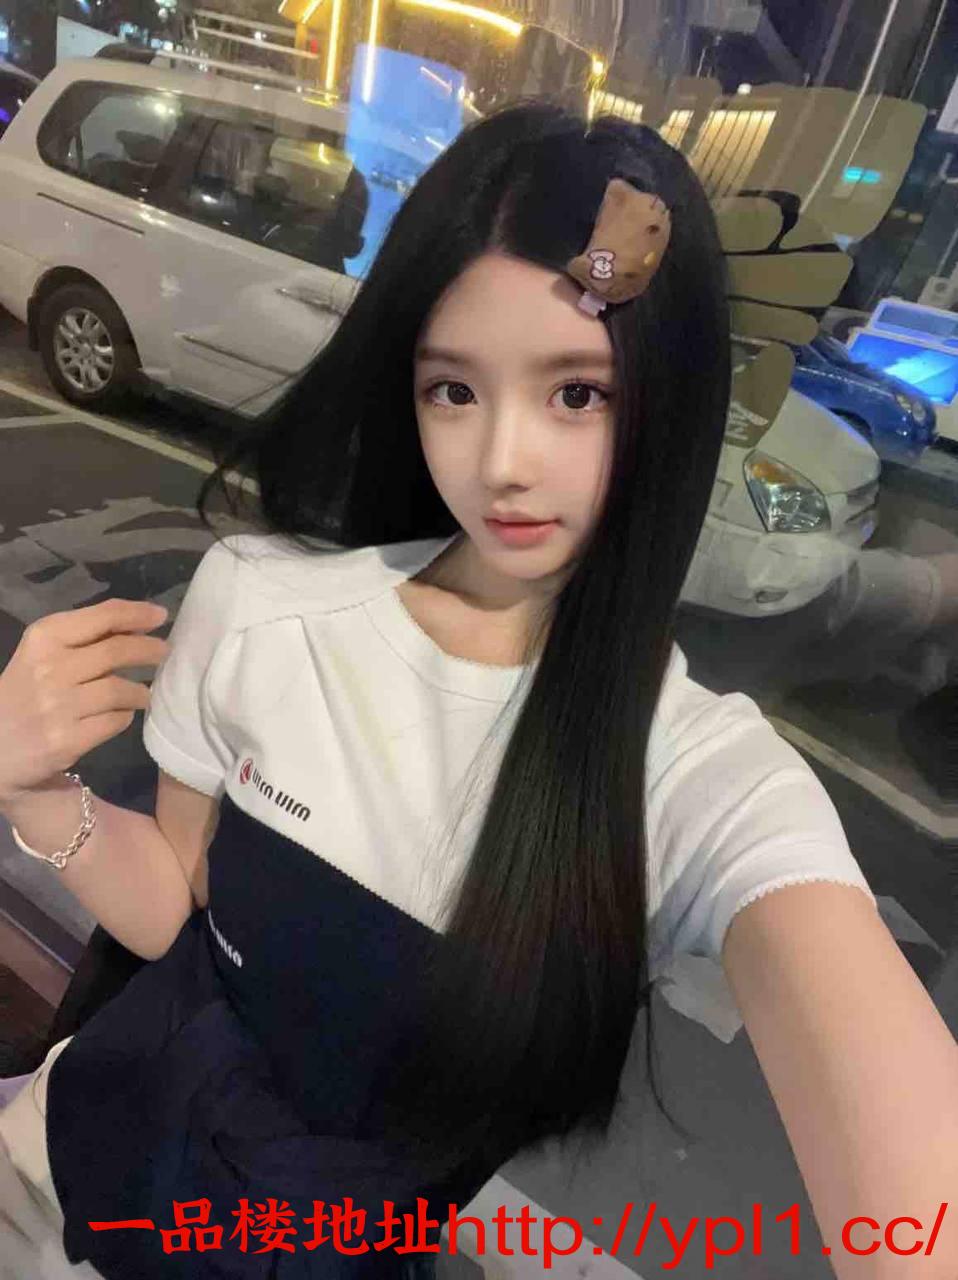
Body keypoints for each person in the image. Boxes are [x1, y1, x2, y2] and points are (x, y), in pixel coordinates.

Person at [0, 99, 955, 1279]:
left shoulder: (695, 779)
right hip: (63, 1174)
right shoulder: (262, 602)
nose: (503, 461)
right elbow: (171, 908)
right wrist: (33, 789)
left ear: (663, 405)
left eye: (576, 393)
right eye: (453, 389)